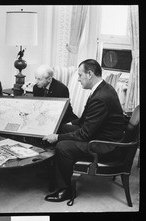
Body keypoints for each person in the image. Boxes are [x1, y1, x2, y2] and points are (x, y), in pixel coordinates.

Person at [42, 59, 125, 202]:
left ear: (90, 74)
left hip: (103, 144)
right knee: (60, 127)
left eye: (80, 75)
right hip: (98, 133)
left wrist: (58, 137)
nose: (78, 79)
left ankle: (66, 190)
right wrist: (65, 125)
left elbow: (85, 133)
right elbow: (83, 121)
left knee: (63, 147)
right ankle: (55, 172)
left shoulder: (101, 97)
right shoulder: (101, 89)